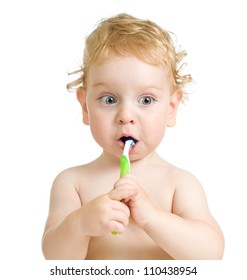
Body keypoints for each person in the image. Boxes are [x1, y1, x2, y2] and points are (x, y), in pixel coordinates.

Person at [42, 13, 224, 260]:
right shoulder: (73, 183)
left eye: (146, 100)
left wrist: (152, 218)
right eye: (109, 99)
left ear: (171, 108)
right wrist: (80, 224)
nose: (126, 116)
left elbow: (211, 254)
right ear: (85, 107)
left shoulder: (179, 184)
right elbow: (55, 260)